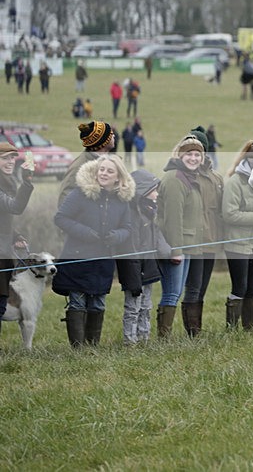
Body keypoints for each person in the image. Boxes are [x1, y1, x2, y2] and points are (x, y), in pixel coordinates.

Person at [52, 154, 134, 347]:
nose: (104, 173)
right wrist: (85, 232)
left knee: (98, 303)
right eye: (102, 169)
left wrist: (117, 236)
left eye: (109, 171)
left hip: (103, 260)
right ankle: (78, 349)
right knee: (78, 302)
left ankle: (92, 347)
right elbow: (61, 218)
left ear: (118, 177)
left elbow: (128, 228)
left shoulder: (122, 201)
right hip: (77, 257)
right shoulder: (80, 193)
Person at [155, 135, 206, 338]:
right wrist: (176, 251)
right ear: (180, 155)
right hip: (177, 246)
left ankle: (165, 335)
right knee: (172, 293)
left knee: (176, 293)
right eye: (189, 154)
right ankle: (163, 337)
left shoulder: (188, 177)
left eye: (197, 155)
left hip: (188, 244)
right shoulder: (175, 179)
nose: (193, 158)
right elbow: (172, 219)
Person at [179, 126, 224, 337]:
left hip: (211, 240)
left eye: (199, 151)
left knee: (203, 287)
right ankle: (192, 333)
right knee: (193, 287)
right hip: (193, 241)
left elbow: (219, 212)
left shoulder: (216, 178)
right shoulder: (184, 177)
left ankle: (197, 327)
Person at [118, 170, 169, 345]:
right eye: (154, 189)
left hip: (148, 268)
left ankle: (144, 339)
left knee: (146, 306)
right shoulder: (133, 215)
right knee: (133, 308)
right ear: (143, 191)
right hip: (135, 271)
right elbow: (132, 248)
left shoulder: (150, 211)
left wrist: (166, 251)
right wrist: (134, 275)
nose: (157, 193)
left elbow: (156, 238)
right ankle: (130, 341)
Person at [222, 141, 253, 329]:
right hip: (237, 245)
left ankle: (249, 328)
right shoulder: (235, 182)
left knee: (252, 288)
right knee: (239, 288)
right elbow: (229, 214)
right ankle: (231, 328)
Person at [0, 143, 34, 331]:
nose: (10, 161)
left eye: (13, 157)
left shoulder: (7, 182)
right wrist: (27, 183)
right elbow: (14, 207)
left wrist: (14, 236)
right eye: (5, 158)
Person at [58, 121, 117, 206]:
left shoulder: (109, 161)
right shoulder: (78, 167)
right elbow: (64, 200)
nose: (114, 136)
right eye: (111, 134)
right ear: (103, 141)